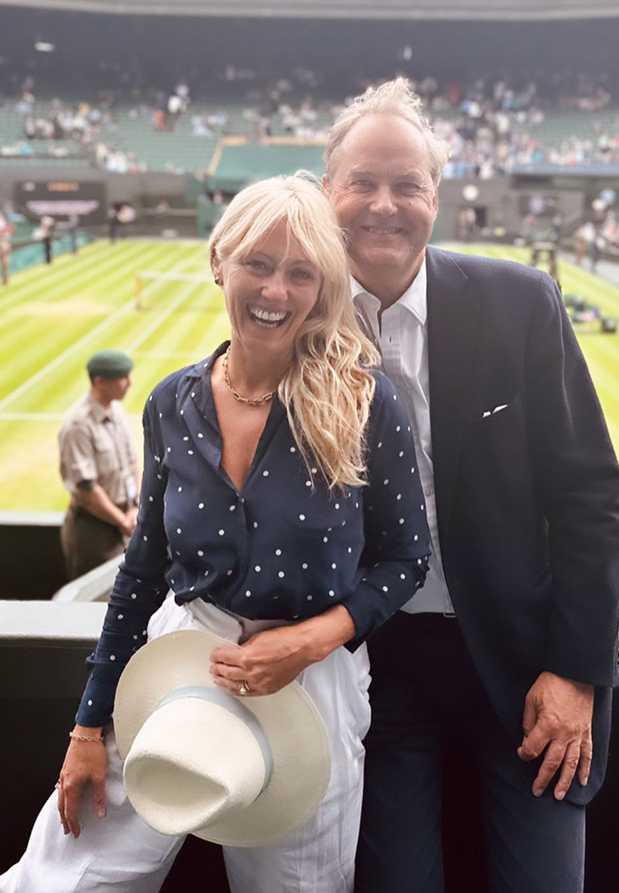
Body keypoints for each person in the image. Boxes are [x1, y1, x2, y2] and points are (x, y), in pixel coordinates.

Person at [2, 175, 430, 893]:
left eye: (301, 273)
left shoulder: (366, 401)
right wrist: (86, 729)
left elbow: (405, 560)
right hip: (175, 664)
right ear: (218, 262)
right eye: (258, 264)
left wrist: (312, 640)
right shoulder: (171, 401)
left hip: (310, 687)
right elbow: (140, 573)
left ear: (323, 287)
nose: (277, 290)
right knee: (64, 878)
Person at [322, 79, 619, 893]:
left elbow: (590, 497)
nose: (385, 205)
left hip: (528, 669)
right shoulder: (300, 316)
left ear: (437, 197)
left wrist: (576, 674)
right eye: (363, 183)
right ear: (327, 192)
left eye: (408, 185)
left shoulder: (519, 301)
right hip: (374, 672)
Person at [58, 350, 139, 580]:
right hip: (94, 531)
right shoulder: (78, 425)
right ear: (100, 381)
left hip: (125, 524)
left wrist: (135, 507)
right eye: (121, 377)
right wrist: (122, 519)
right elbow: (86, 488)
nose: (129, 383)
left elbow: (132, 464)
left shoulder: (117, 412)